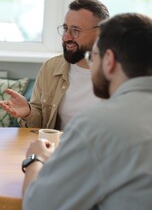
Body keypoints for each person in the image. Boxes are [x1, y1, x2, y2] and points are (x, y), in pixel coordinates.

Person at [22, 13, 152, 209]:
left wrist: (35, 159)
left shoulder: (97, 124)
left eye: (94, 57)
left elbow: (37, 205)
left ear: (109, 60)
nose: (91, 65)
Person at [0, 0, 110, 130]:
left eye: (75, 31)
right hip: (57, 149)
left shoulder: (120, 75)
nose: (66, 37)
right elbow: (40, 126)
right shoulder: (50, 68)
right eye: (65, 28)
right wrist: (28, 112)